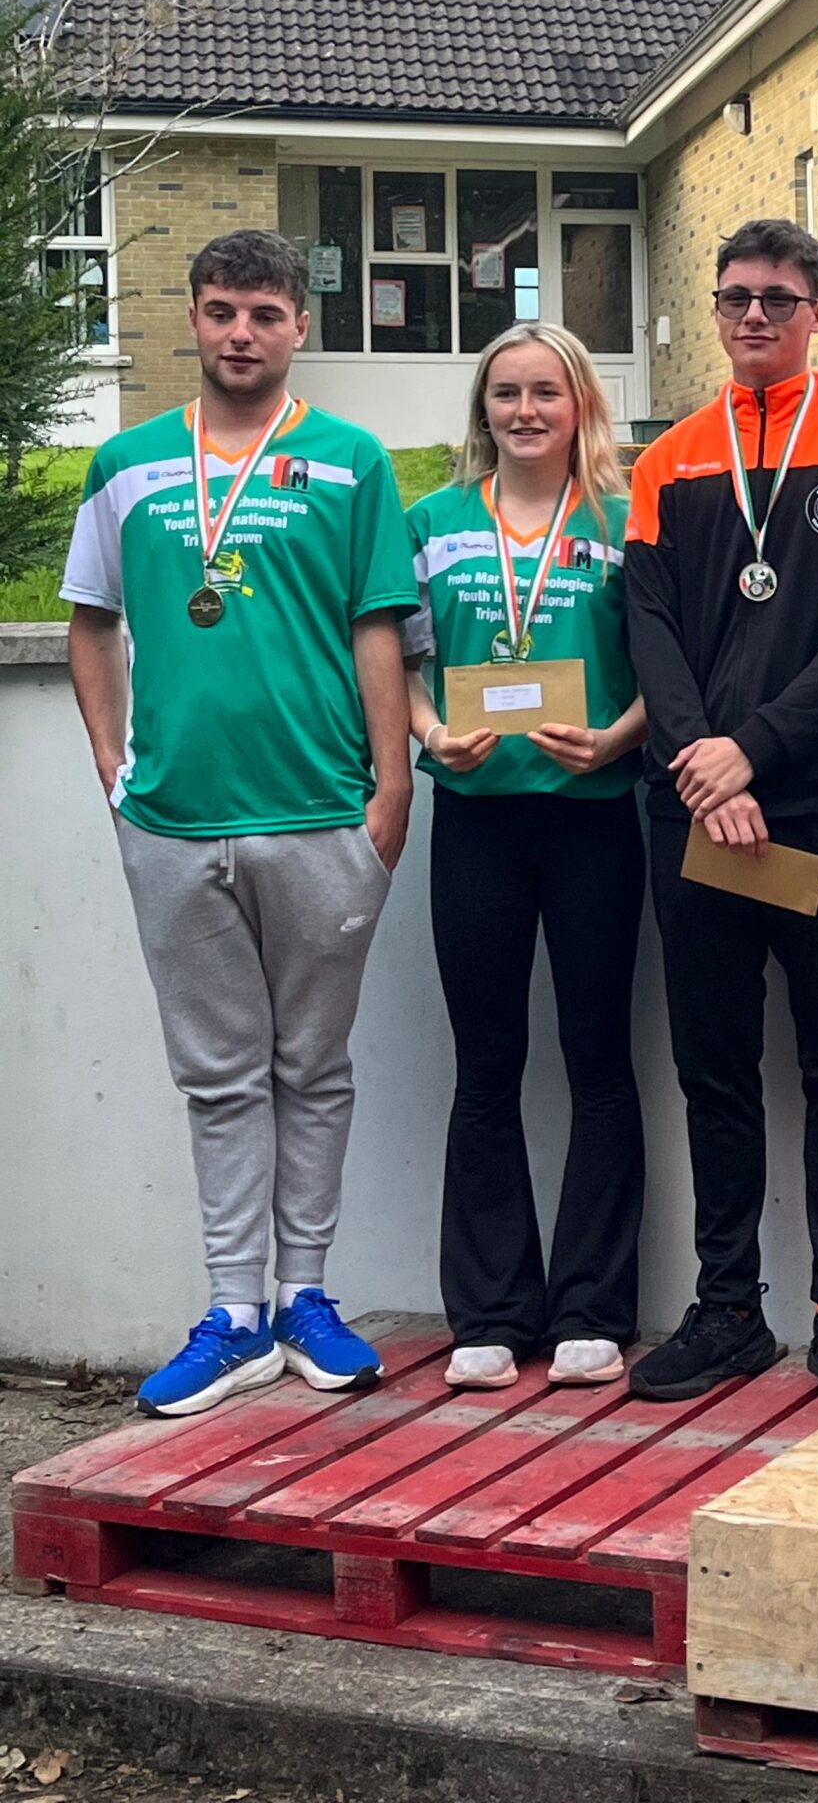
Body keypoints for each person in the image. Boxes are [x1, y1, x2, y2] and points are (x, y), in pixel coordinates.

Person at [62, 229, 416, 1418]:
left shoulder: (353, 462)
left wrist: (391, 786)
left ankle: (306, 1293)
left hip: (320, 812)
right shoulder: (125, 464)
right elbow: (91, 619)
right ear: (194, 318)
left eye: (264, 313)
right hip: (173, 819)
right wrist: (113, 764)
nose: (241, 333)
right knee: (218, 1076)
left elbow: (378, 626)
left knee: (311, 1065)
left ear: (299, 324)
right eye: (221, 311)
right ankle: (234, 1314)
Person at [624, 217, 818, 1409]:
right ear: (715, 309)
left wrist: (752, 750)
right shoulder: (668, 463)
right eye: (736, 297)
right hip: (694, 806)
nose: (755, 315)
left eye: (779, 298)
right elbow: (649, 629)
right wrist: (706, 765)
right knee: (715, 1068)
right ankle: (728, 1309)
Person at [403, 323, 649, 1393]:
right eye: (506, 393)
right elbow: (391, 656)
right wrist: (427, 732)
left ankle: (594, 1305)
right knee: (486, 1065)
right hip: (477, 821)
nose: (525, 411)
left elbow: (669, 667)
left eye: (546, 391)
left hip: (594, 815)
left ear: (580, 401)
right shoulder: (430, 522)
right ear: (484, 408)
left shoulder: (625, 520)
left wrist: (620, 739)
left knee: (599, 1061)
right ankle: (492, 1312)